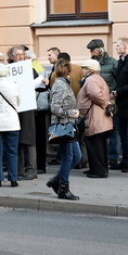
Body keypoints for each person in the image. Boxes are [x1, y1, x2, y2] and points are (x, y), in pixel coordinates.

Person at [46, 60, 82, 200]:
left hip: (69, 126)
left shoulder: (63, 83)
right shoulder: (60, 85)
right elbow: (55, 108)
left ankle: (56, 180)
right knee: (68, 157)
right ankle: (63, 188)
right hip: (63, 126)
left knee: (76, 156)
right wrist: (70, 113)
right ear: (68, 71)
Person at [77, 59, 113, 178]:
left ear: (89, 69)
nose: (82, 70)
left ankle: (98, 171)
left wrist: (104, 103)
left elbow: (96, 95)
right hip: (99, 118)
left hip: (95, 118)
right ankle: (98, 169)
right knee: (99, 145)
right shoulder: (98, 78)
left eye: (83, 67)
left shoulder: (91, 79)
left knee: (95, 145)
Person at [87, 39, 120, 169]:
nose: (90, 52)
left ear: (100, 49)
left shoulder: (112, 63)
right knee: (100, 132)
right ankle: (102, 160)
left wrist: (114, 94)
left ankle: (113, 159)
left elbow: (120, 80)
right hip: (96, 104)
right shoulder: (91, 63)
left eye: (92, 49)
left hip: (111, 102)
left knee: (112, 131)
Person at [10, 45, 37, 181]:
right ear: (12, 57)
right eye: (18, 54)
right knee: (16, 140)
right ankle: (18, 170)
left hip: (27, 109)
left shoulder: (30, 69)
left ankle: (32, 170)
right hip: (13, 109)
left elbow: (39, 85)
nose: (20, 57)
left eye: (22, 54)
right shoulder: (8, 70)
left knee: (28, 139)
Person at [114, 37, 128, 173]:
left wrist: (118, 91)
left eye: (119, 45)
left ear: (126, 46)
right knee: (123, 134)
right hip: (122, 104)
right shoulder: (121, 61)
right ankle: (125, 160)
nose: (116, 48)